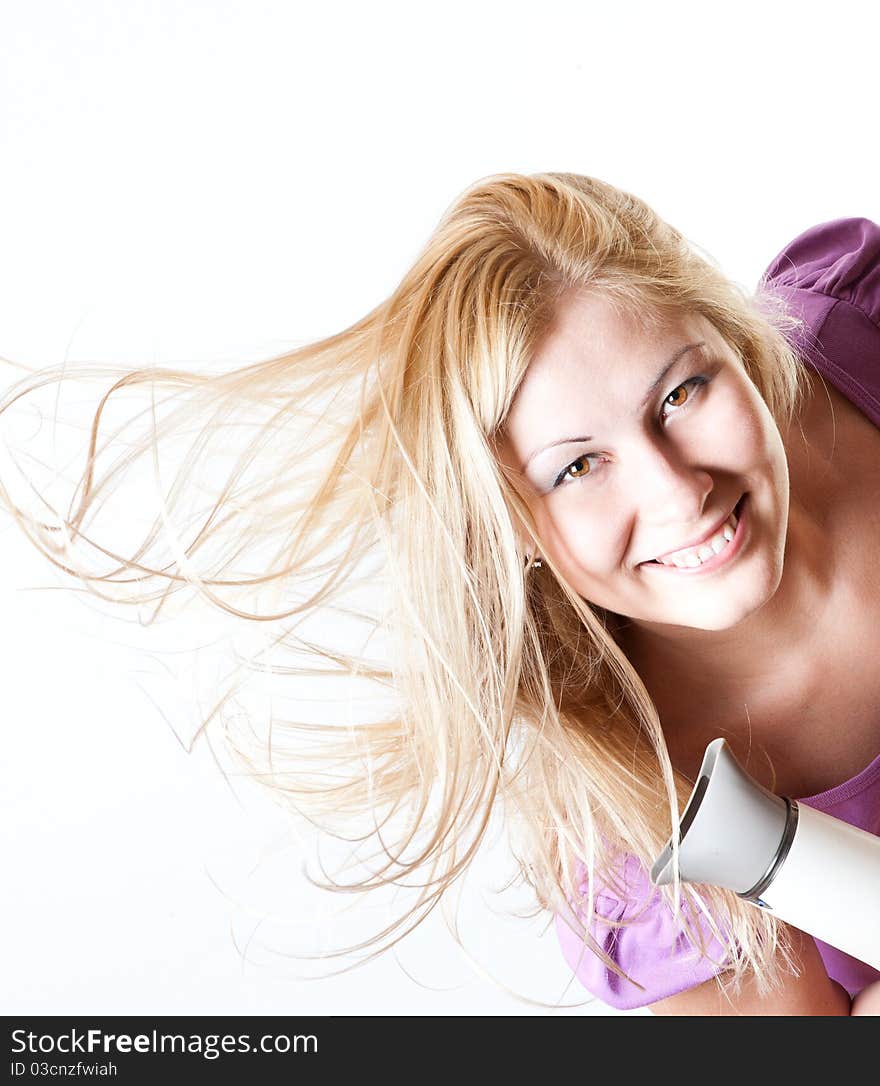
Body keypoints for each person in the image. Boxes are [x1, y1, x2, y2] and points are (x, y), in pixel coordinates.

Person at [1, 172, 878, 1016]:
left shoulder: (857, 339)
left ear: (738, 338)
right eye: (576, 467)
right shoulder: (636, 831)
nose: (677, 492)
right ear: (510, 528)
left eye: (682, 392)